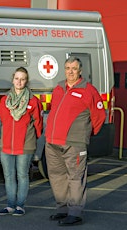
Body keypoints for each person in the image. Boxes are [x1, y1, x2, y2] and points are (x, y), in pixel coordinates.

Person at [45, 57, 106, 226]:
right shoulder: (58, 88)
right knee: (57, 177)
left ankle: (75, 212)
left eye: (74, 68)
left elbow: (99, 116)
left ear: (80, 71)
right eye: (67, 68)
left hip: (74, 143)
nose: (70, 71)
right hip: (52, 142)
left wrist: (85, 134)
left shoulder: (88, 90)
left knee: (75, 178)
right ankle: (62, 209)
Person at [0, 67, 43, 216]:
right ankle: (10, 205)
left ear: (26, 81)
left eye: (22, 79)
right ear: (12, 79)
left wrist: (32, 138)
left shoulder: (33, 101)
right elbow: (1, 120)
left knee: (22, 175)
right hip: (7, 145)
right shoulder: (4, 101)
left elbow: (38, 123)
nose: (19, 81)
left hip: (25, 145)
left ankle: (20, 206)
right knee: (9, 176)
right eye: (17, 78)